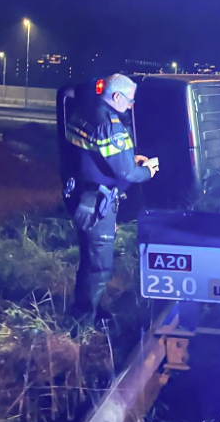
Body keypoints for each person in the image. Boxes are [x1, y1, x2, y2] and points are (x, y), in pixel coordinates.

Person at [64, 74, 159, 328]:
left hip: (81, 195)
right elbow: (126, 172)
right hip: (97, 203)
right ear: (116, 96)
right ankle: (83, 322)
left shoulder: (85, 111)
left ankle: (88, 308)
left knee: (89, 256)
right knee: (99, 266)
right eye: (129, 101)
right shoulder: (111, 124)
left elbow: (96, 153)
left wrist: (128, 157)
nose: (131, 106)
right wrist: (147, 170)